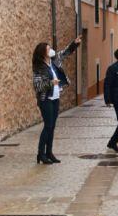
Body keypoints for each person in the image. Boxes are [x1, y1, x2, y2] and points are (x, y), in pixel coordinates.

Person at [31, 35, 81, 164]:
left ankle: (49, 153)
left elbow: (65, 53)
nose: (51, 50)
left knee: (52, 127)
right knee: (48, 126)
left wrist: (74, 44)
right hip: (45, 99)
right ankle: (41, 154)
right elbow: (37, 86)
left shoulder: (54, 61)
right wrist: (51, 83)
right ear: (43, 53)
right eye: (48, 49)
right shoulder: (38, 68)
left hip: (55, 98)